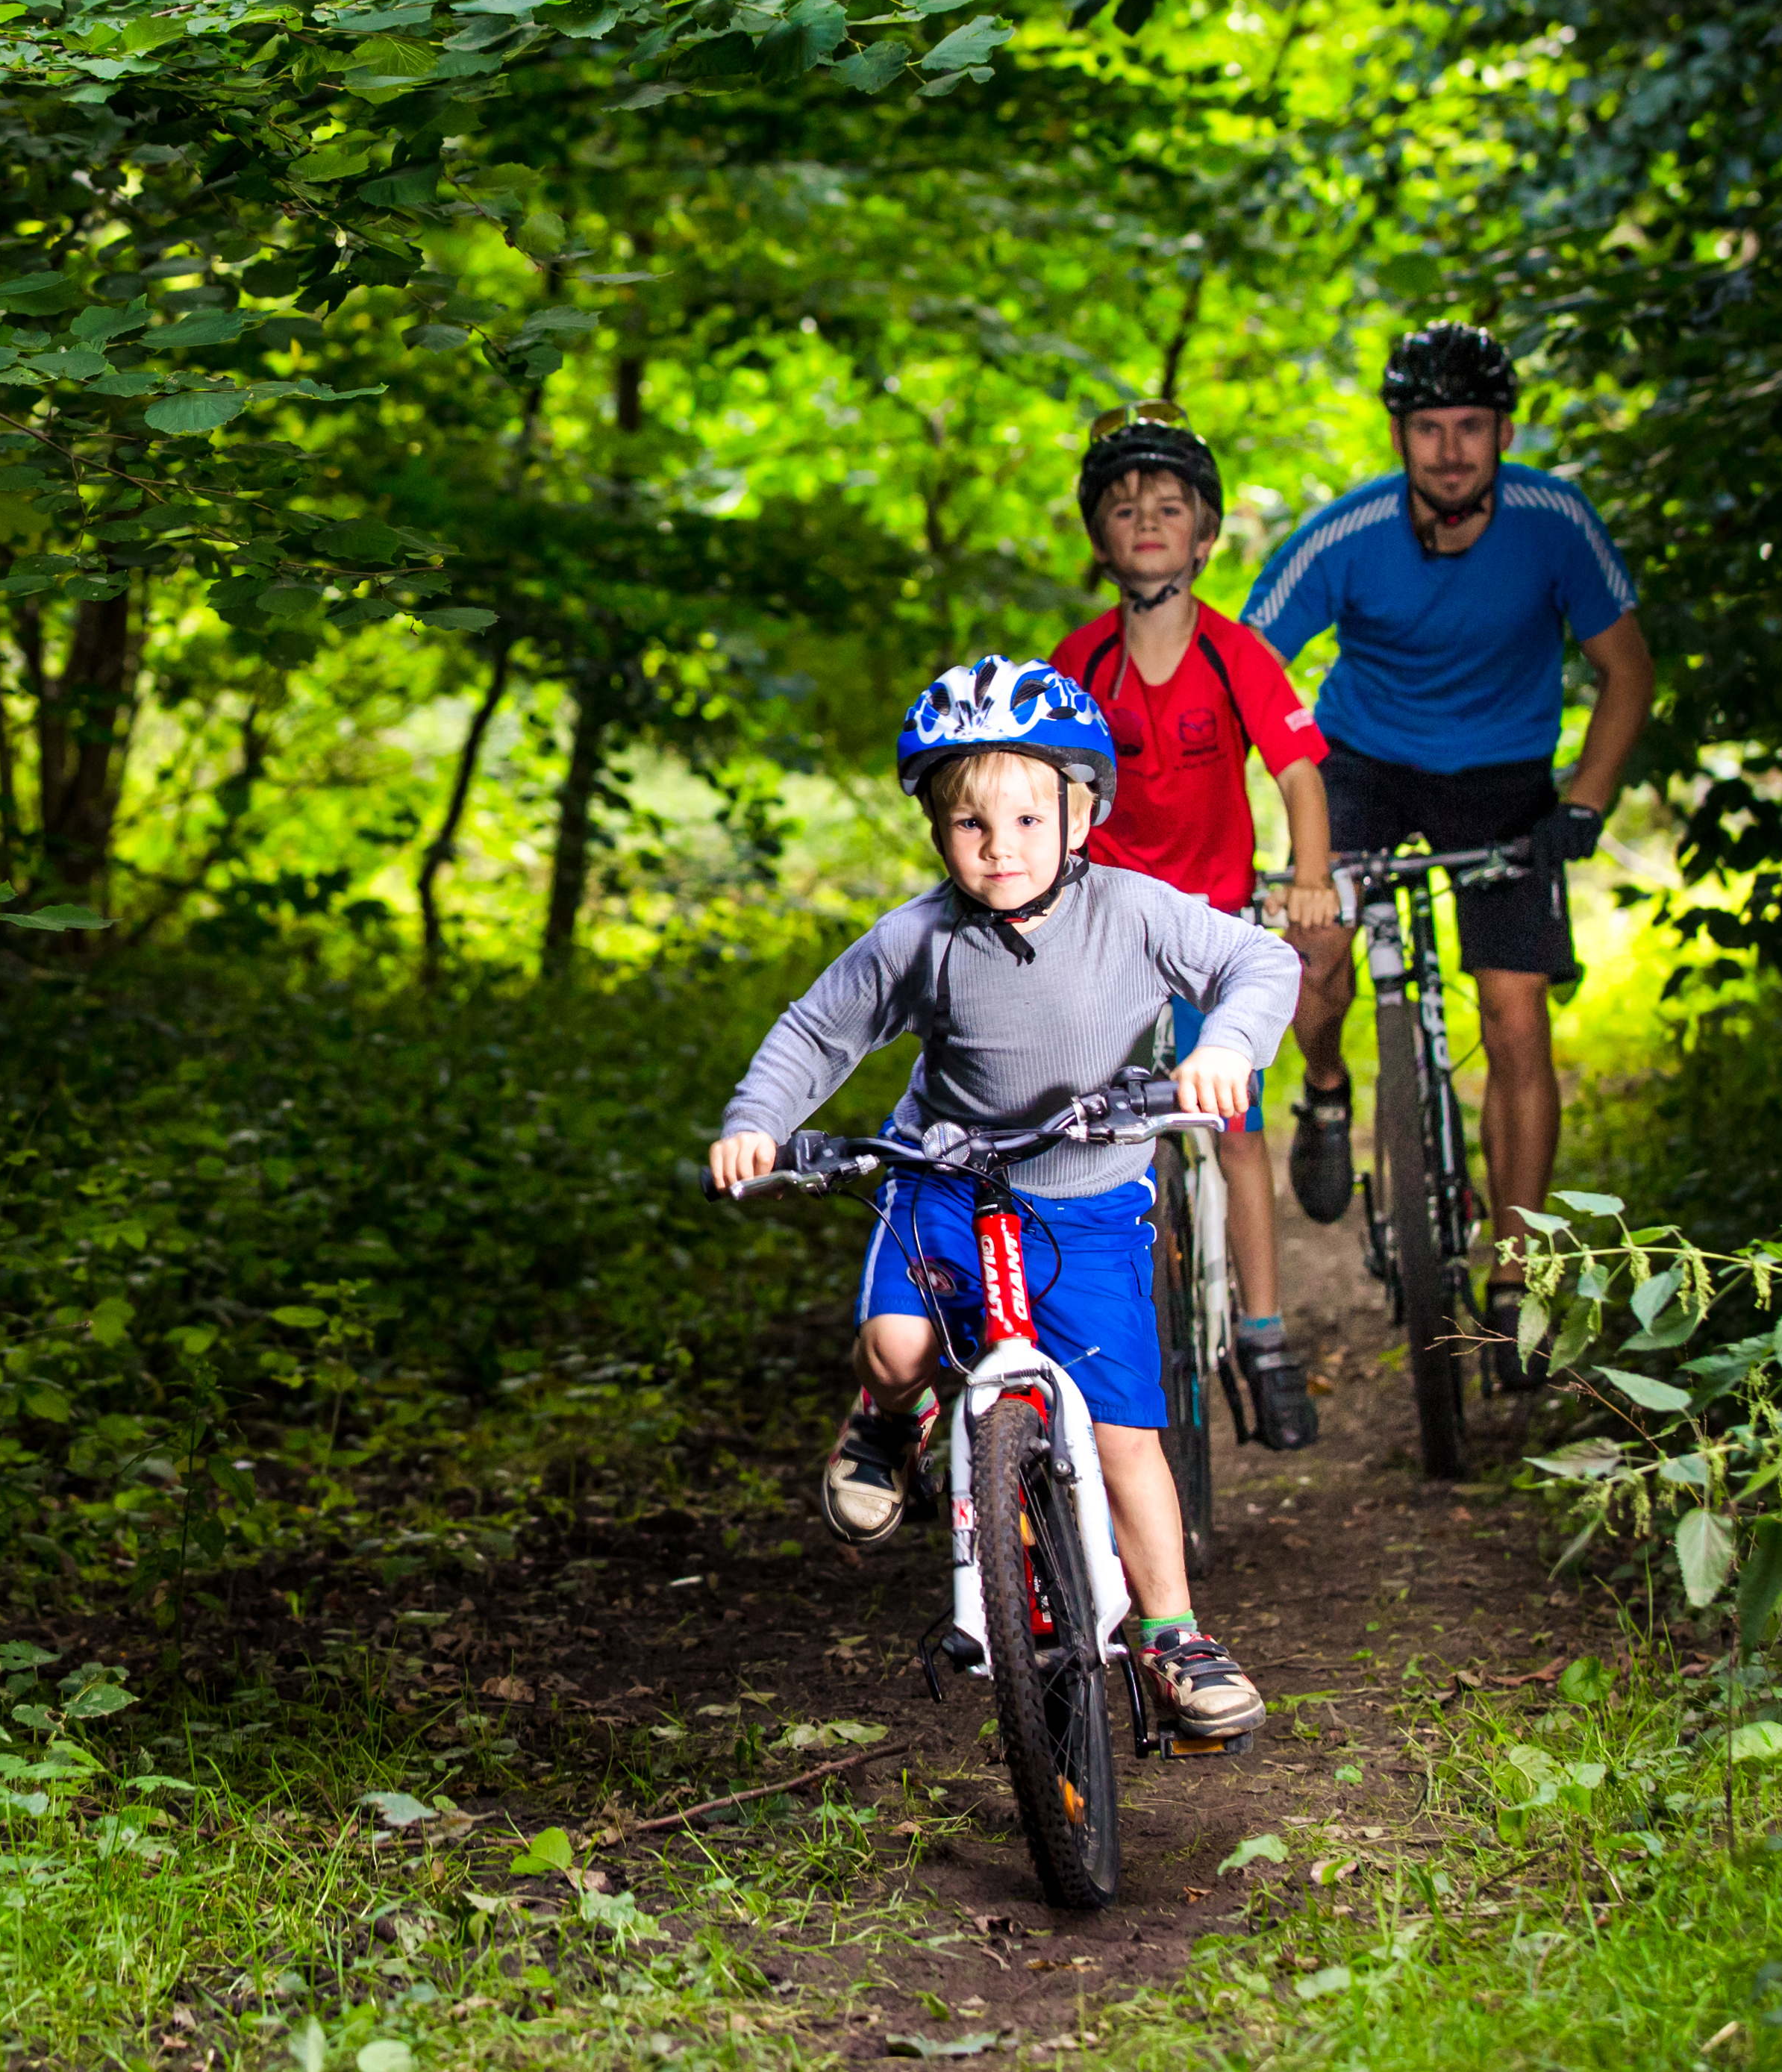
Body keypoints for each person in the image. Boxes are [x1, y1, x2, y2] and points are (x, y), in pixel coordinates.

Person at [704, 657, 1300, 1739]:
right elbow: (817, 1028)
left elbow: (1258, 960)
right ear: (936, 829)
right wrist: (756, 1121)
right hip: (943, 1176)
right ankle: (892, 1422)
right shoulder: (920, 935)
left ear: (1082, 811)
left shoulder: (1133, 910)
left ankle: (1171, 1632)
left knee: (1122, 1436)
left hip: (1085, 1198)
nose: (1000, 845)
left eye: (1028, 816)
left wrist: (1225, 1048)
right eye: (969, 822)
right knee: (893, 1345)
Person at [1244, 323, 1656, 1374]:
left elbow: (1627, 671)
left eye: (1470, 427)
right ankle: (1328, 1089)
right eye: (1428, 429)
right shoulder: (1346, 536)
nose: (1450, 450)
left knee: (1516, 1018)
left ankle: (1513, 1277)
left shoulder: (1555, 521)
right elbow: (1244, 667)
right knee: (1319, 951)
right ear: (1398, 437)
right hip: (1365, 765)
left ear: (1503, 430)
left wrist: (1587, 802)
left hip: (1505, 778)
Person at [1045, 402, 1336, 1450]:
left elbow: (1299, 774)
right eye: (1124, 508)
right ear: (1100, 538)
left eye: (1170, 507)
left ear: (1205, 535)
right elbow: (1031, 786)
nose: (1147, 522)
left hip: (1209, 927)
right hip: (1104, 932)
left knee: (1232, 1126)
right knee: (1076, 1126)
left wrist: (1308, 880)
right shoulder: (1076, 661)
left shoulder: (1235, 655)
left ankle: (1262, 1335)